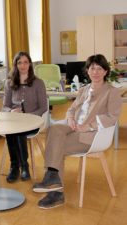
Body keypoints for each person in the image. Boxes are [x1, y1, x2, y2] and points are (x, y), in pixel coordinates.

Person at [32, 54, 123, 209]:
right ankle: (53, 178)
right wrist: (71, 118)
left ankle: (56, 192)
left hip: (90, 135)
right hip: (74, 127)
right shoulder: (83, 90)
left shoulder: (111, 92)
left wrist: (89, 126)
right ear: (87, 71)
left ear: (106, 71)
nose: (95, 72)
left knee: (56, 145)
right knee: (53, 129)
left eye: (99, 68)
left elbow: (112, 117)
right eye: (92, 68)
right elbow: (72, 109)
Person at [2, 51, 48, 183]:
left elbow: (43, 107)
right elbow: (4, 106)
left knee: (19, 130)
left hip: (32, 123)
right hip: (13, 121)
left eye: (26, 62)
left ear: (30, 64)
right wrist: (11, 111)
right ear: (15, 65)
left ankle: (24, 165)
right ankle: (14, 166)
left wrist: (27, 115)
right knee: (13, 130)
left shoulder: (38, 83)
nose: (23, 65)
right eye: (19, 62)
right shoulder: (9, 83)